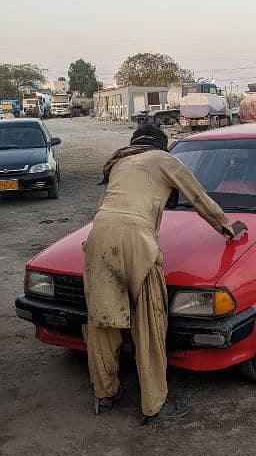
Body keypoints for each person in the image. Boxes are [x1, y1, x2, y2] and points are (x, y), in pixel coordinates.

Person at [83, 123, 245, 425]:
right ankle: (154, 406)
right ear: (161, 145)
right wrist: (226, 225)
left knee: (101, 323)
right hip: (137, 241)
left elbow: (109, 207)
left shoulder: (118, 162)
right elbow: (197, 196)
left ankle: (105, 395)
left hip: (99, 236)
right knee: (148, 325)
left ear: (135, 143)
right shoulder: (163, 159)